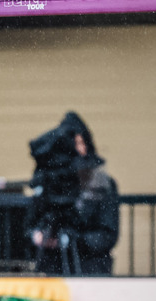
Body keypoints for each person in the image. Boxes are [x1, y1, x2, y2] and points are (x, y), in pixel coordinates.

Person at [28, 111, 119, 275]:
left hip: (90, 270)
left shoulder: (102, 184)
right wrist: (39, 237)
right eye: (72, 144)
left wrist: (74, 241)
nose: (79, 150)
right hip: (52, 269)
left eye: (80, 143)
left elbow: (107, 235)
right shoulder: (49, 183)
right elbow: (29, 226)